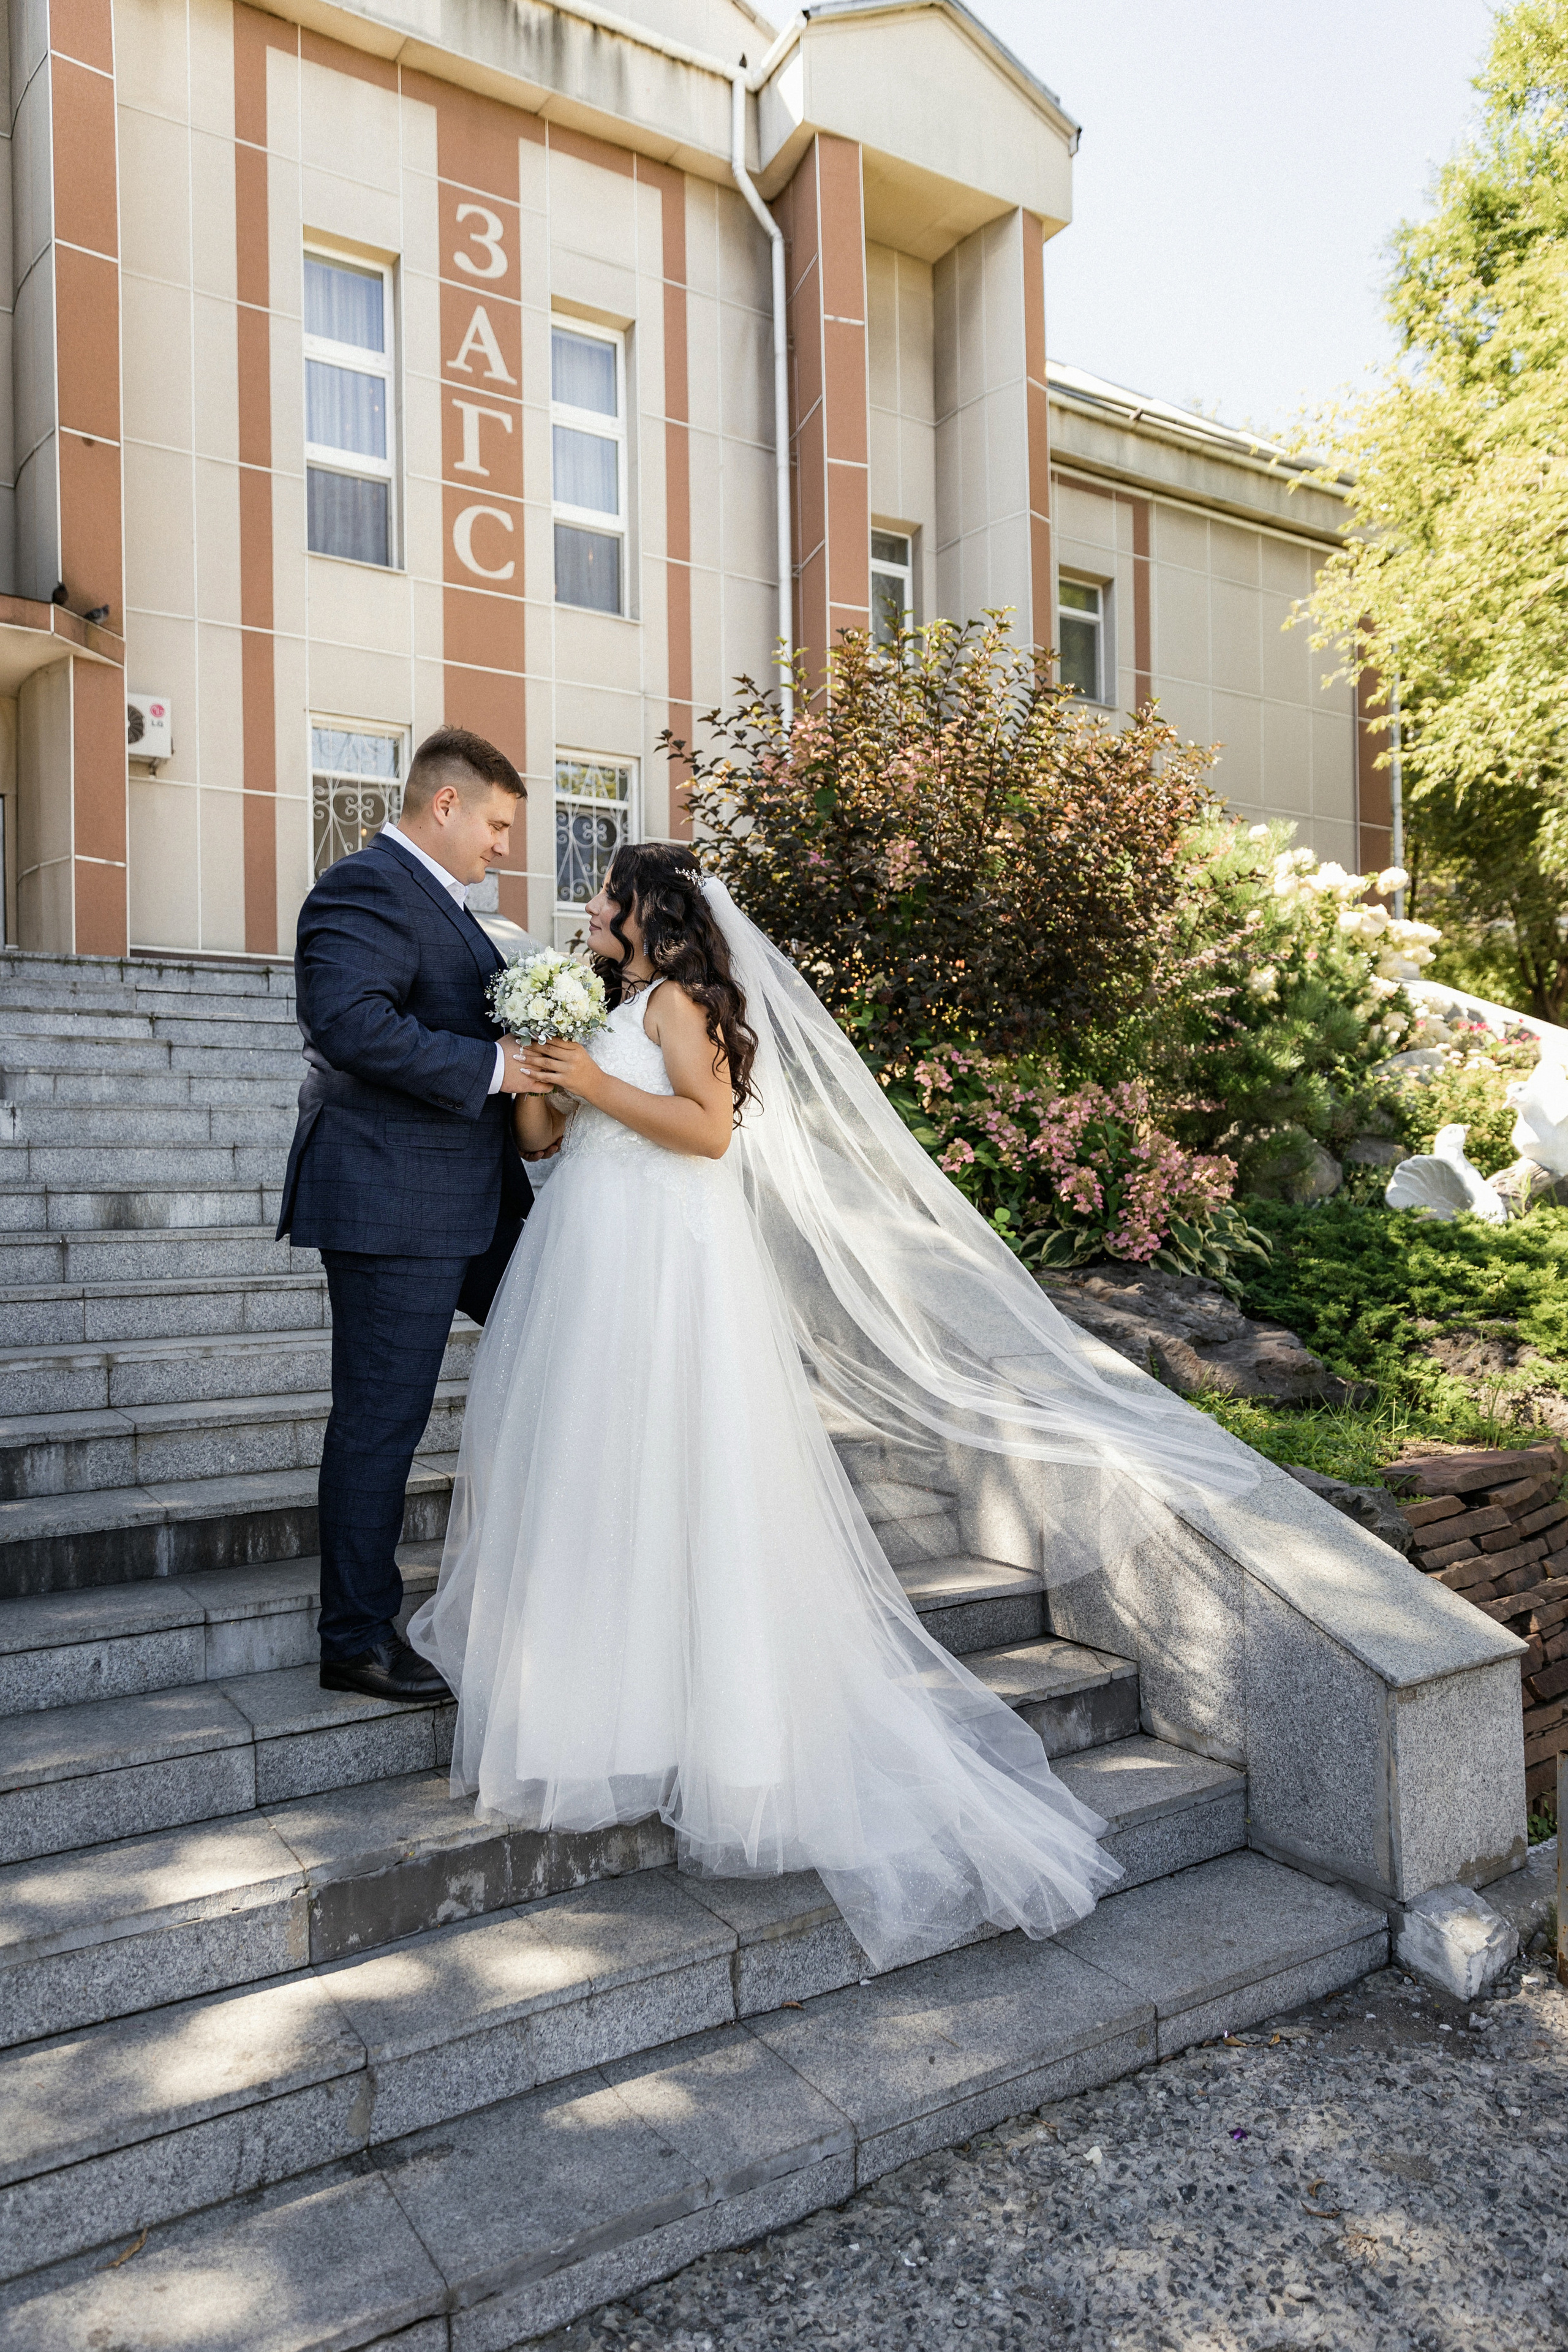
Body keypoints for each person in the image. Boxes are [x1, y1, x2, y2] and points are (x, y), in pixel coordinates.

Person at [408, 843, 1255, 1968]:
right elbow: (549, 1142)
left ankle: (722, 1727)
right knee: (596, 1483)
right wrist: (537, 1073)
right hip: (590, 1256)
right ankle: (606, 1709)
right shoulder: (609, 1007)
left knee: (682, 1476)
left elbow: (710, 1131)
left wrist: (596, 1082)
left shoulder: (681, 1004)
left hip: (668, 1261)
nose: (593, 907)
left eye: (608, 894)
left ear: (650, 913)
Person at [278, 726, 538, 1702]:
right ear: (446, 804)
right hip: (393, 1204)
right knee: (380, 1425)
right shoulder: (364, 886)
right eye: (498, 825)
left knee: (575, 1344)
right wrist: (495, 1066)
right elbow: (349, 1023)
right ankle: (354, 1639)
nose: (505, 846)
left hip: (472, 1202)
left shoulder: (443, 902)